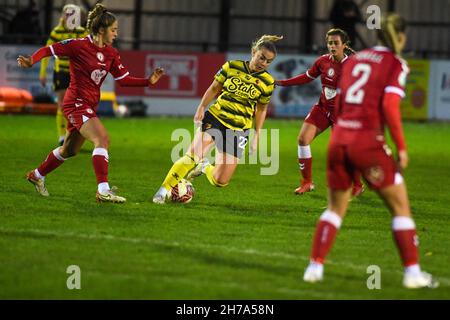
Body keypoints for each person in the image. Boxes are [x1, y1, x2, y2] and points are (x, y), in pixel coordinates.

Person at [302, 13, 438, 289]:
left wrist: (341, 131)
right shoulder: (395, 63)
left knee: (334, 209)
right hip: (368, 143)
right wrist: (401, 147)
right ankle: (412, 274)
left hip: (340, 141)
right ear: (401, 37)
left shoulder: (357, 59)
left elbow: (339, 100)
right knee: (401, 208)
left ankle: (314, 267)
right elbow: (389, 108)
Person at [18, 3, 165, 203]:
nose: (116, 34)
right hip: (75, 102)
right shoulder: (78, 45)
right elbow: (49, 50)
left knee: (69, 150)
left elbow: (124, 80)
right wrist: (31, 61)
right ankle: (103, 190)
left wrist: (149, 81)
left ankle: (37, 175)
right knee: (102, 139)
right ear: (101, 30)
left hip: (89, 104)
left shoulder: (111, 53)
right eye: (113, 30)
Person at [152, 35, 283, 204]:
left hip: (239, 129)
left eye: (268, 61)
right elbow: (214, 88)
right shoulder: (231, 66)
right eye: (261, 57)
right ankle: (162, 192)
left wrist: (257, 135)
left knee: (221, 181)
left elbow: (261, 109)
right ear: (253, 52)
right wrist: (201, 107)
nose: (263, 63)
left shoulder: (268, 82)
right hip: (216, 118)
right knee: (191, 156)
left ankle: (205, 166)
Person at [276, 28, 364, 196]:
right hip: (323, 109)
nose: (332, 46)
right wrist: (282, 83)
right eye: (329, 43)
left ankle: (357, 184)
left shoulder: (353, 66)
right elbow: (307, 77)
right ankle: (307, 182)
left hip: (343, 114)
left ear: (344, 45)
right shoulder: (322, 61)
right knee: (302, 139)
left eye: (336, 43)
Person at [40, 4, 89, 146]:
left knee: (75, 106)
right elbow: (46, 52)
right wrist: (42, 73)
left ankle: (71, 135)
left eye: (73, 14)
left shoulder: (81, 32)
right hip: (61, 72)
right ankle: (62, 137)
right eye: (68, 14)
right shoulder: (57, 32)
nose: (70, 17)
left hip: (77, 74)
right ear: (63, 15)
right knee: (62, 104)